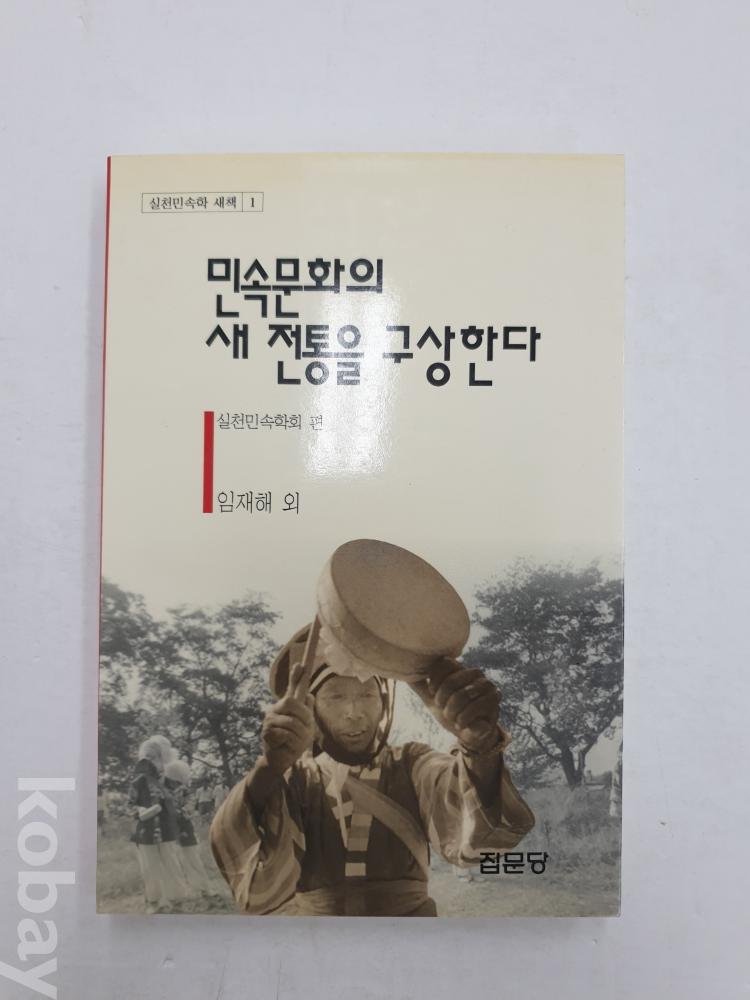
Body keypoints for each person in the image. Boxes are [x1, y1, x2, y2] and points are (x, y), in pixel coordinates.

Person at [211, 625, 535, 917]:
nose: (354, 712)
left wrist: (478, 745)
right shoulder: (296, 779)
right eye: (335, 696)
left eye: (367, 694)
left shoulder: (411, 763)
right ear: (312, 707)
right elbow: (253, 882)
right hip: (317, 944)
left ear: (384, 702)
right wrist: (270, 766)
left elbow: (477, 834)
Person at [129, 736, 189, 914]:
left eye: (153, 756)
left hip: (167, 830)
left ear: (162, 758)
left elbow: (180, 803)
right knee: (150, 868)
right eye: (145, 756)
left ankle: (177, 902)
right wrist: (141, 811)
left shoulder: (170, 781)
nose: (148, 760)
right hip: (145, 832)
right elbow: (130, 805)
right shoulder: (138, 782)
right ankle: (154, 903)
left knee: (172, 865)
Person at [163, 759, 217, 900]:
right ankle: (177, 892)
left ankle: (204, 888)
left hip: (183, 825)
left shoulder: (184, 790)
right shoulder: (160, 790)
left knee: (193, 857)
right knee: (171, 861)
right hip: (167, 828)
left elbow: (190, 807)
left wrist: (180, 812)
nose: (174, 781)